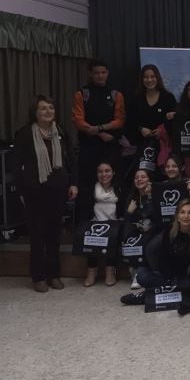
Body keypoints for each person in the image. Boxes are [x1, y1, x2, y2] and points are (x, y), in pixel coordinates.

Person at [14, 95, 78, 292]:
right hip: (34, 191)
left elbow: (71, 160)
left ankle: (54, 275)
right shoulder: (24, 134)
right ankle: (39, 277)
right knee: (37, 235)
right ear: (34, 112)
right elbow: (16, 166)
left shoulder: (60, 132)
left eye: (51, 108)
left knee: (54, 234)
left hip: (57, 189)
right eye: (43, 108)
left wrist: (73, 183)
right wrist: (21, 191)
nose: (48, 111)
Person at [121, 199, 190, 305]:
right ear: (177, 216)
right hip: (170, 277)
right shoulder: (170, 231)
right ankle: (173, 290)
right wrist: (170, 279)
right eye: (182, 212)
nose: (186, 216)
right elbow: (163, 258)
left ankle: (145, 296)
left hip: (188, 278)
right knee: (142, 275)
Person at [72, 59, 125, 222]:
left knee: (115, 184)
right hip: (89, 148)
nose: (100, 76)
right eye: (96, 73)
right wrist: (99, 133)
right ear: (90, 74)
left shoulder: (116, 94)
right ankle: (85, 225)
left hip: (110, 147)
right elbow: (78, 121)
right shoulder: (82, 94)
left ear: (107, 73)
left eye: (103, 72)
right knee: (87, 187)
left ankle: (117, 222)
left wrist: (100, 128)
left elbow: (120, 120)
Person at [84, 161, 122, 287]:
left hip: (113, 223)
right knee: (92, 238)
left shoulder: (119, 188)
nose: (104, 174)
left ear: (113, 172)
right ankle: (91, 272)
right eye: (100, 172)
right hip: (96, 222)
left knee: (112, 239)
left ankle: (110, 271)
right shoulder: (92, 188)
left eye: (107, 171)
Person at [127, 64, 176, 156]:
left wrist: (162, 131)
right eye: (146, 77)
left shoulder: (168, 98)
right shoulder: (136, 99)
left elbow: (174, 122)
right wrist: (140, 129)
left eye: (152, 77)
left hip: (164, 146)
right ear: (142, 79)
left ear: (158, 78)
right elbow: (129, 122)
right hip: (141, 145)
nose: (149, 80)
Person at [124, 168, 155, 289]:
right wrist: (129, 212)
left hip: (152, 228)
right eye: (136, 178)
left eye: (143, 177)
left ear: (149, 180)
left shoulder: (154, 194)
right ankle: (133, 269)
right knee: (128, 234)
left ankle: (139, 272)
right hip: (137, 228)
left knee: (146, 238)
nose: (139, 180)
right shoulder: (132, 196)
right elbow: (128, 219)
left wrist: (149, 196)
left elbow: (152, 215)